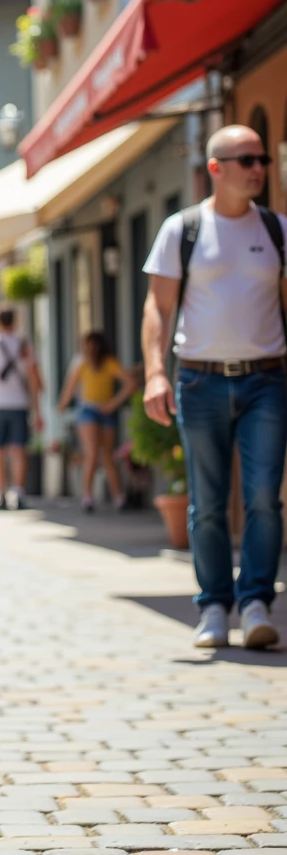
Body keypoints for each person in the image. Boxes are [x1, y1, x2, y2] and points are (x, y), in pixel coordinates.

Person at [142, 123, 287, 651]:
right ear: (216, 168)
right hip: (199, 380)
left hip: (266, 379)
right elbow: (157, 307)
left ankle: (255, 603)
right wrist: (156, 372)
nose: (257, 169)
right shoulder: (182, 229)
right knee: (206, 502)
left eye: (262, 159)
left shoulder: (275, 229)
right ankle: (214, 608)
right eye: (246, 159)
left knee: (264, 498)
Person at [57, 331, 135, 512]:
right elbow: (69, 389)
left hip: (105, 411)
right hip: (86, 410)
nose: (91, 348)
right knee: (91, 453)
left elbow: (130, 384)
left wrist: (113, 404)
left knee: (108, 455)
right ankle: (87, 496)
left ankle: (118, 497)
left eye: (94, 344)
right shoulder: (81, 363)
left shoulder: (109, 363)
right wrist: (60, 407)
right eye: (88, 344)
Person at [0, 304, 42, 510]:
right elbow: (33, 379)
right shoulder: (24, 344)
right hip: (19, 403)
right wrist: (37, 409)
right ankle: (19, 492)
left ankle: (2, 493)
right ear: (15, 320)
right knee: (19, 449)